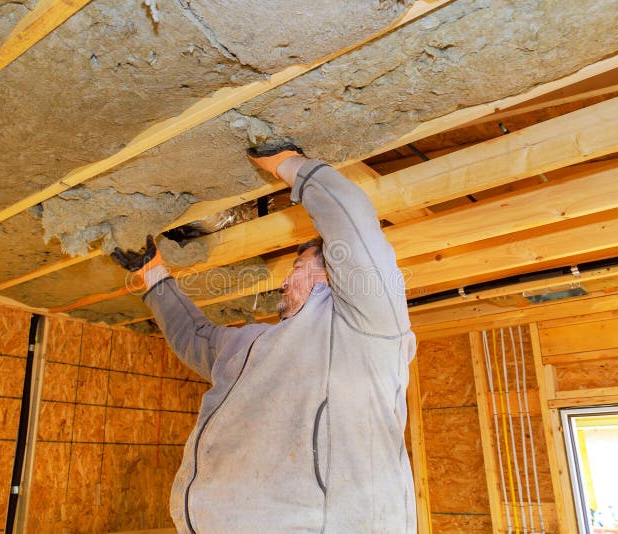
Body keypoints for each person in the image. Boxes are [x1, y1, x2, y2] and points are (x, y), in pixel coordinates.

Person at [111, 144, 416, 533]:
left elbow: (356, 231)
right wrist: (152, 271)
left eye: (298, 267)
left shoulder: (366, 334)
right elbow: (194, 336)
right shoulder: (250, 347)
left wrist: (287, 164)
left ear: (335, 277)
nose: (285, 281)